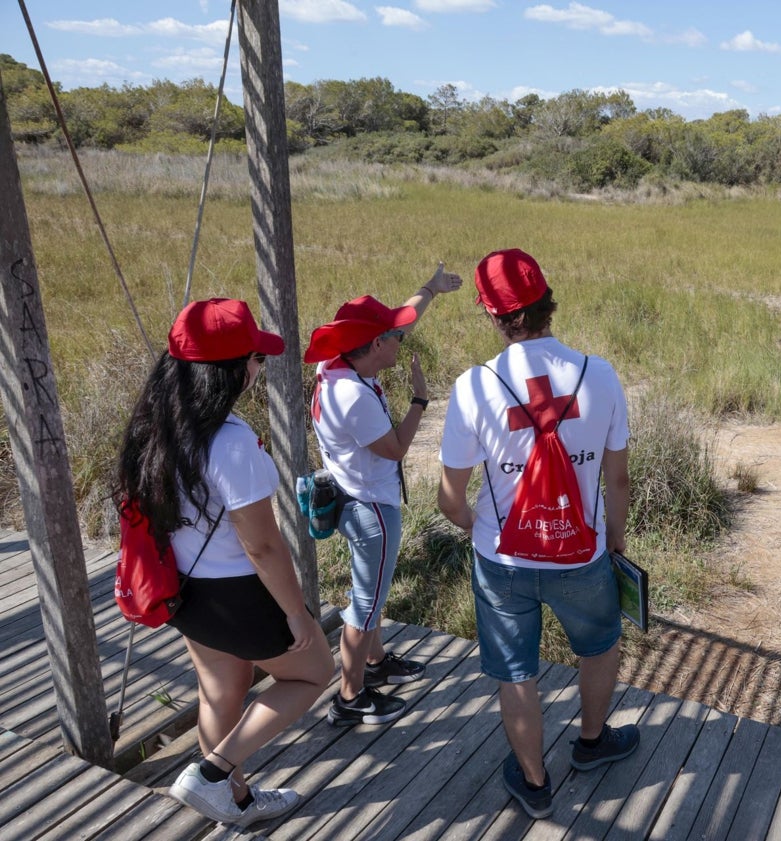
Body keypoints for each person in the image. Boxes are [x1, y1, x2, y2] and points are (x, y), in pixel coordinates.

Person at [116, 298, 335, 827]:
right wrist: (298, 615)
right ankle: (211, 775)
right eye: (254, 359)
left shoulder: (153, 427)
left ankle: (233, 800)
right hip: (239, 593)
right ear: (228, 372)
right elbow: (262, 546)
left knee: (221, 689)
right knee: (313, 673)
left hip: (186, 591)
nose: (259, 369)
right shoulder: (233, 444)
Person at [437, 248, 639, 820]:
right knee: (598, 646)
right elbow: (617, 478)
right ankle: (593, 744)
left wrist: (479, 528)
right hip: (583, 551)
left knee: (516, 670)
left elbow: (451, 499)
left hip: (502, 560)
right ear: (547, 302)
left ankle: (534, 782)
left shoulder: (473, 387)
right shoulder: (599, 375)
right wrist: (615, 542)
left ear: (495, 316)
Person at [303, 264, 463, 726]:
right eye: (395, 339)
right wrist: (419, 400)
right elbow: (395, 449)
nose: (401, 340)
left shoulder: (336, 365)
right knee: (364, 605)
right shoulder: (351, 398)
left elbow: (402, 320)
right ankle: (349, 699)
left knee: (370, 593)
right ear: (376, 346)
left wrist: (429, 289)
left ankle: (374, 665)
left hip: (356, 499)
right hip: (372, 508)